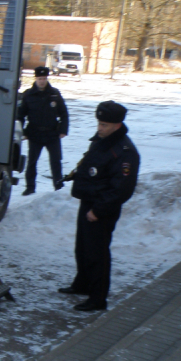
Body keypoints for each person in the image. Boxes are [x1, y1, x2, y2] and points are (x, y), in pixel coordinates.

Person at [59, 101, 139, 311]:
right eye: (99, 123)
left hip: (102, 208)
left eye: (104, 125)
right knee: (83, 248)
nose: (99, 128)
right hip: (89, 201)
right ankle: (82, 284)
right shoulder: (102, 141)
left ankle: (97, 298)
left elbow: (121, 188)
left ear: (117, 125)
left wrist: (99, 210)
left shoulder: (124, 152)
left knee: (97, 253)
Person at [18, 66, 69, 195]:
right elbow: (20, 115)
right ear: (36, 78)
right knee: (32, 162)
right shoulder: (28, 95)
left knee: (56, 162)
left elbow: (64, 113)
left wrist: (63, 130)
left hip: (52, 133)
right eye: (40, 79)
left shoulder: (54, 94)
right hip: (35, 133)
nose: (42, 81)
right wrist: (22, 132)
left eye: (44, 78)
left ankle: (59, 186)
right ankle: (30, 187)